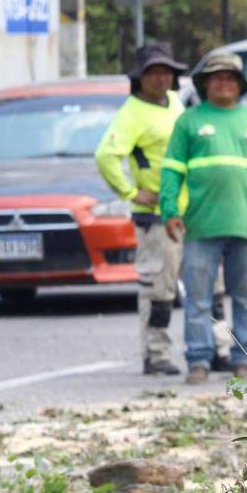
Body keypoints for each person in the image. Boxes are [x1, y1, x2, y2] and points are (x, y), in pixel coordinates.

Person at [160, 51, 247, 384]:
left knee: (245, 297)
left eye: (230, 77)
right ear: (205, 84)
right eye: (217, 77)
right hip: (200, 225)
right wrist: (169, 210)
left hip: (245, 224)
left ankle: (244, 360)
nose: (223, 82)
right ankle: (198, 360)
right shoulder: (189, 121)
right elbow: (171, 170)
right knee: (198, 298)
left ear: (240, 84)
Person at [95, 42, 187, 376]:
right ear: (141, 77)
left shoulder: (176, 103)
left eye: (167, 71)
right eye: (154, 72)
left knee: (207, 286)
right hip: (155, 216)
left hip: (187, 208)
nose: (161, 78)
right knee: (158, 287)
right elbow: (106, 156)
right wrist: (131, 191)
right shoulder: (131, 112)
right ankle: (155, 352)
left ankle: (214, 347)